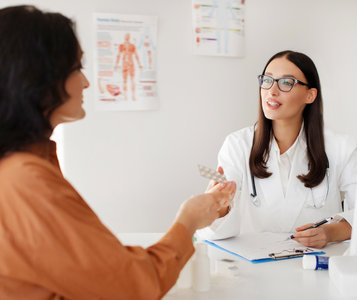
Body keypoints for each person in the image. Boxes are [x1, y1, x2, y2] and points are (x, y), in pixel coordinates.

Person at [0, 5, 235, 299]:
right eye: (76, 68)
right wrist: (187, 221)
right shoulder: (25, 181)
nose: (86, 82)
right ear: (36, 80)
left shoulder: (25, 167)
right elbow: (131, 285)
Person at [199, 50, 357, 249]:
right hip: (255, 268)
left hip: (316, 265)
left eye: (286, 83)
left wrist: (329, 233)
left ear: (310, 95)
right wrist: (218, 206)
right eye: (267, 80)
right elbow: (214, 230)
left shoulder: (341, 148)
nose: (272, 91)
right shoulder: (238, 144)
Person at [114, 32, 142, 101]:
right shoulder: (121, 46)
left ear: (129, 37)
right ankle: (125, 96)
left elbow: (136, 55)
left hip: (131, 63)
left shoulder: (132, 46)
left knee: (132, 79)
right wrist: (116, 65)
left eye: (128, 36)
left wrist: (139, 64)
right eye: (126, 36)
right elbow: (118, 55)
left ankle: (133, 96)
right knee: (125, 81)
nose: (127, 37)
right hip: (125, 63)